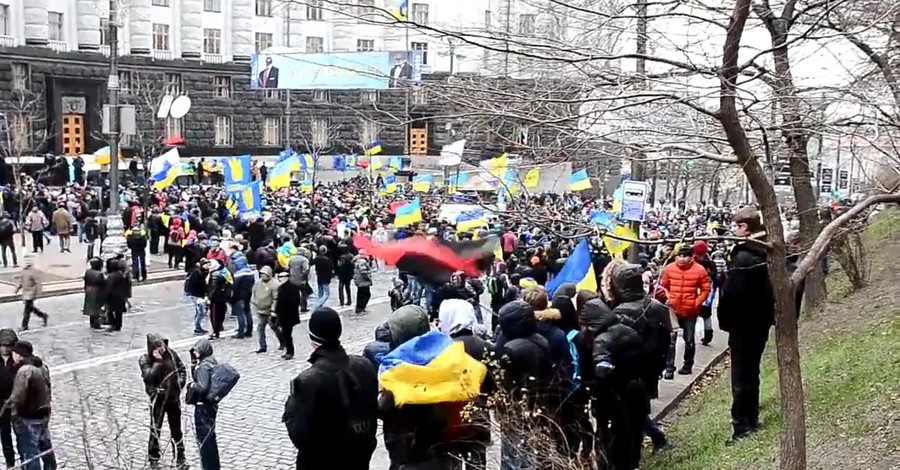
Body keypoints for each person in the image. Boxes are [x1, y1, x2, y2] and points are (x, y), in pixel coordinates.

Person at [282, 307, 378, 470]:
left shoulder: (308, 381)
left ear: (313, 338)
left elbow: (300, 435)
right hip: (359, 458)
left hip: (323, 462)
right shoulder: (364, 365)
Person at [718, 206, 774, 441]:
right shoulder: (764, 252)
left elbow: (733, 296)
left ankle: (742, 425)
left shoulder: (743, 258)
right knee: (752, 372)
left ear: (744, 228)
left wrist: (725, 320)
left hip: (743, 324)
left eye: (735, 226)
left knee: (742, 376)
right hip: (759, 322)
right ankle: (751, 417)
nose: (732, 229)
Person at [4, 340, 57, 470]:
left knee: (30, 452)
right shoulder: (42, 366)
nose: (12, 357)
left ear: (19, 354)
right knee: (45, 446)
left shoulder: (24, 371)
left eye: (14, 354)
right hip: (43, 414)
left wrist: (11, 411)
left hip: (28, 417)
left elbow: (17, 396)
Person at [659, 244, 710, 379]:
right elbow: (663, 286)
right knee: (671, 340)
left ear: (691, 256)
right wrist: (668, 298)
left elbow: (706, 289)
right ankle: (669, 368)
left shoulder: (700, 270)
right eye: (680, 256)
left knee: (689, 339)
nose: (682, 259)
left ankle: (688, 365)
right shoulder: (669, 269)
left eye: (685, 256)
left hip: (690, 309)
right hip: (672, 309)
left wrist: (696, 302)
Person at [139, 334, 187, 470]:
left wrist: (179, 383)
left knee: (176, 429)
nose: (162, 349)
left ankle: (180, 456)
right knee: (155, 429)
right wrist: (158, 363)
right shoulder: (145, 359)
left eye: (162, 346)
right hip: (158, 400)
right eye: (158, 347)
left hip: (172, 398)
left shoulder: (172, 354)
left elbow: (181, 369)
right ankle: (153, 458)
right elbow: (148, 377)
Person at [187, 339, 220, 470]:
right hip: (210, 405)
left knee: (205, 439)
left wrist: (192, 385)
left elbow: (202, 386)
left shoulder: (204, 367)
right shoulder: (211, 361)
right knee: (210, 437)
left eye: (196, 350)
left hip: (202, 407)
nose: (194, 353)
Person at [251, 266, 281, 354]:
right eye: (262, 274)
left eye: (265, 274)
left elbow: (276, 298)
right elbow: (254, 292)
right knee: (260, 328)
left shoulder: (275, 284)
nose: (263, 276)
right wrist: (254, 301)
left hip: (270, 311)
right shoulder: (258, 283)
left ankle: (282, 341)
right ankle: (262, 346)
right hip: (260, 309)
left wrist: (273, 310)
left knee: (274, 327)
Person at [0, 329, 18, 469]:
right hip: (1, 404)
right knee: (5, 434)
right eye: (3, 345)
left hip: (17, 403)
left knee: (22, 434)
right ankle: (9, 462)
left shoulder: (18, 360)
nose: (5, 348)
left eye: (9, 345)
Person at [15, 258, 48, 331]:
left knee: (27, 310)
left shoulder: (33, 272)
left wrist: (38, 293)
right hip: (26, 293)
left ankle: (24, 326)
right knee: (30, 308)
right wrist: (17, 289)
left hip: (31, 293)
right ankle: (43, 315)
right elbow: (22, 281)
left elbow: (37, 284)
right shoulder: (24, 272)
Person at [275, 273, 302, 360]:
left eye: (282, 277)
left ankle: (290, 351)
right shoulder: (280, 288)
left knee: (287, 334)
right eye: (279, 277)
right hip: (282, 315)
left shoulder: (293, 287)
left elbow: (296, 301)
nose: (280, 279)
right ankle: (288, 350)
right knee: (285, 333)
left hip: (289, 315)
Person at [229, 250, 254, 339]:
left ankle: (241, 331)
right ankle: (249, 330)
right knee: (248, 312)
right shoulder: (250, 272)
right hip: (248, 294)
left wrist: (232, 298)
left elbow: (235, 288)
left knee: (240, 314)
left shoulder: (238, 275)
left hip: (239, 296)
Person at [206, 260, 233, 340]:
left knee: (214, 315)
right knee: (220, 314)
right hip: (222, 298)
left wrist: (209, 298)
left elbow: (213, 288)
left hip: (215, 299)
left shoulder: (214, 275)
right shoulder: (224, 272)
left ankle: (215, 331)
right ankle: (218, 328)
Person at [105, 256, 131, 332]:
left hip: (113, 296)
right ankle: (118, 325)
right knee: (119, 312)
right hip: (121, 295)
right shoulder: (121, 274)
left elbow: (108, 287)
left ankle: (113, 324)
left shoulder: (111, 276)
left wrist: (105, 296)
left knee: (110, 311)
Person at [185, 259, 210, 335]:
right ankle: (197, 327)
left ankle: (197, 327)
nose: (208, 266)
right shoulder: (197, 273)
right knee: (201, 312)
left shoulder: (205, 272)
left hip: (199, 295)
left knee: (199, 311)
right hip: (196, 295)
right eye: (206, 264)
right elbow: (197, 284)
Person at [83, 257, 107, 330]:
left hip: (88, 289)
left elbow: (86, 281)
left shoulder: (88, 272)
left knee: (91, 307)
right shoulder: (99, 274)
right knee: (96, 308)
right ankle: (96, 324)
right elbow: (103, 283)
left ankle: (92, 322)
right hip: (97, 291)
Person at [353, 250, 373, 314]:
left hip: (359, 280)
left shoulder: (357, 261)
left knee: (361, 294)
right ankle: (360, 308)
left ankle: (359, 308)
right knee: (366, 295)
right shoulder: (362, 262)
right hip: (363, 281)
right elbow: (363, 271)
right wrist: (369, 276)